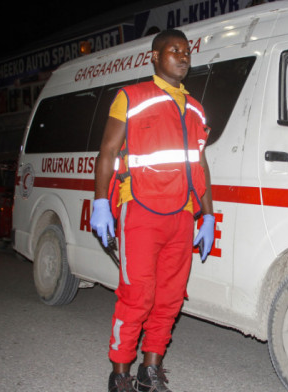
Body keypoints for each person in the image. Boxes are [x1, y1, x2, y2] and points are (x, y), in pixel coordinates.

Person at [90, 29, 215, 392]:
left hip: (182, 215)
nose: (182, 55)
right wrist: (101, 200)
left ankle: (151, 370)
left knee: (170, 299)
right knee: (137, 296)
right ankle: (120, 374)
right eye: (173, 50)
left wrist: (208, 214)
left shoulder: (195, 108)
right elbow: (107, 152)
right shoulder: (130, 96)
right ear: (155, 57)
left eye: (186, 50)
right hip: (141, 210)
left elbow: (201, 164)